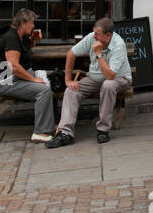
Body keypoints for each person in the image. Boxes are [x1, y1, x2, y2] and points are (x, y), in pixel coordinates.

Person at [46, 16, 132, 147]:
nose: (94, 37)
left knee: (108, 85)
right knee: (71, 90)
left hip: (119, 79)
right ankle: (65, 133)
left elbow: (109, 76)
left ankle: (103, 130)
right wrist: (68, 80)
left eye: (97, 34)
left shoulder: (118, 45)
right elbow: (71, 54)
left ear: (108, 35)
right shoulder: (92, 37)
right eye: (94, 33)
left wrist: (98, 54)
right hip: (94, 78)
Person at [0, 8, 56, 142]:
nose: (33, 26)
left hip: (15, 77)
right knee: (43, 90)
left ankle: (50, 125)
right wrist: (34, 79)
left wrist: (34, 40)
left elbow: (25, 52)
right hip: (7, 82)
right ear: (22, 23)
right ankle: (40, 132)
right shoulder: (11, 38)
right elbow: (14, 66)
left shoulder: (20, 37)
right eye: (31, 23)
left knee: (48, 79)